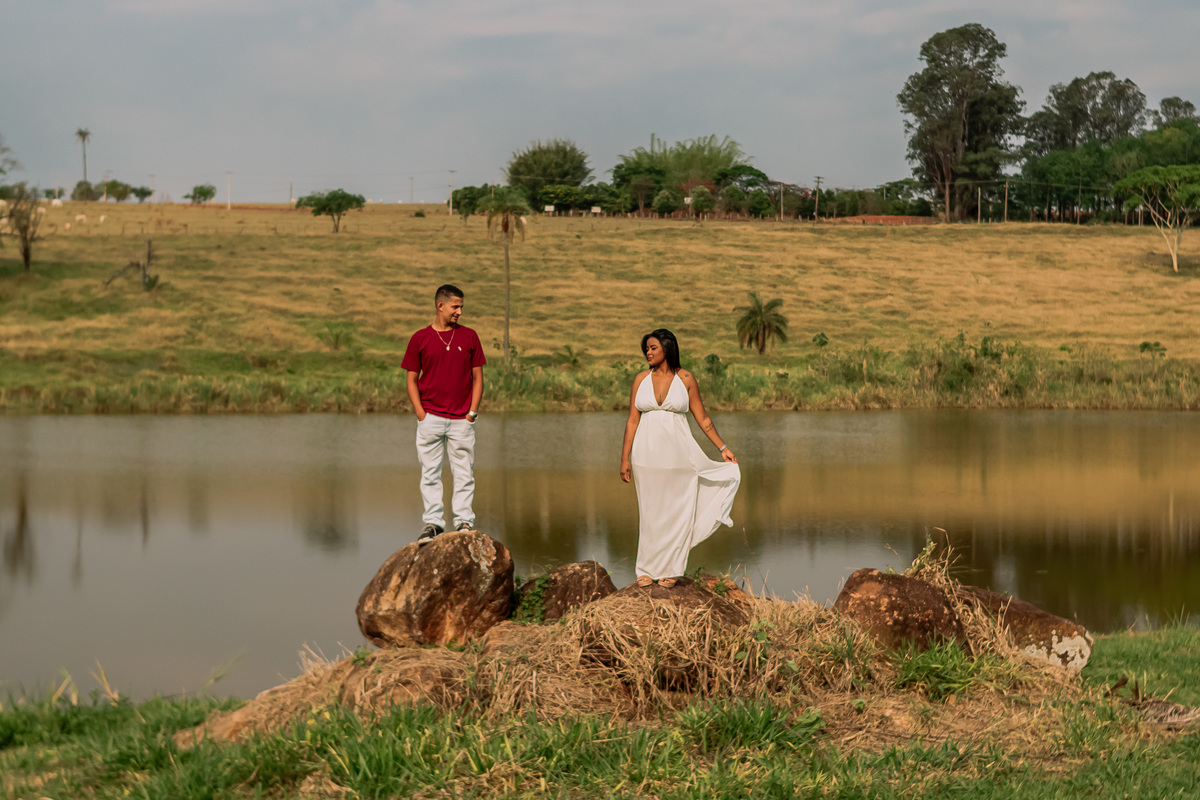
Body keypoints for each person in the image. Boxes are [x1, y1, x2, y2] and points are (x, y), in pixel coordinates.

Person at [619, 328, 740, 587]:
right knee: (650, 511)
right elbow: (631, 421)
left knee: (676, 511)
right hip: (645, 457)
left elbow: (703, 419)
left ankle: (670, 570)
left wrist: (723, 448)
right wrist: (624, 459)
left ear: (667, 348)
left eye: (653, 348)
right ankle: (646, 569)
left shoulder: (685, 379)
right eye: (647, 349)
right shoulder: (640, 379)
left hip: (678, 456)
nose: (648, 353)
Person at [402, 284, 486, 544]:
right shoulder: (420, 338)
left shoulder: (470, 336)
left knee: (464, 472)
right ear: (440, 306)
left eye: (461, 307)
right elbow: (411, 378)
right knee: (430, 472)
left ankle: (463, 521)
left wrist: (472, 413)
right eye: (455, 306)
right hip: (431, 418)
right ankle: (434, 524)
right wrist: (420, 413)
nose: (459, 311)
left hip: (462, 419)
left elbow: (478, 378)